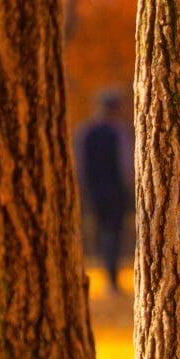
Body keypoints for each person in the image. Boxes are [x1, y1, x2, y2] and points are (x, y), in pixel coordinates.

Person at [74, 88, 133, 295]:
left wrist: (82, 189)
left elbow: (80, 165)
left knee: (101, 232)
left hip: (94, 191)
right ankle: (112, 278)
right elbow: (126, 164)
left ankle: (110, 277)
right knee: (114, 232)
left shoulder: (85, 132)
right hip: (115, 189)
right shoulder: (119, 132)